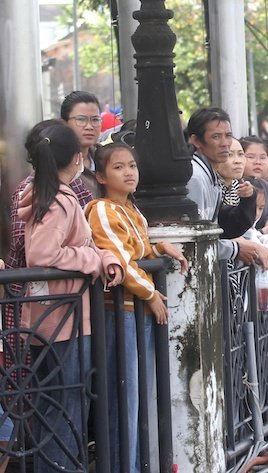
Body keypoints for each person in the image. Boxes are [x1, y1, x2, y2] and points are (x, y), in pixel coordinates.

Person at [18, 123, 123, 472]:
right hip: (64, 318)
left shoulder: (46, 195)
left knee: (57, 402)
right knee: (67, 404)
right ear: (77, 158)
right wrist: (92, 259)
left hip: (50, 316)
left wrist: (101, 257)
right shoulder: (59, 200)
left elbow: (78, 245)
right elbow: (43, 255)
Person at [84, 142, 187, 473]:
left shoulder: (130, 209)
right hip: (122, 313)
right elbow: (121, 260)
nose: (129, 172)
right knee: (123, 399)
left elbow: (137, 249)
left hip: (136, 312)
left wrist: (158, 247)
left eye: (132, 165)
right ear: (100, 175)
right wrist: (150, 294)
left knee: (137, 398)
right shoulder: (101, 209)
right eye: (118, 167)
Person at [185, 107, 268, 268]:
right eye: (216, 137)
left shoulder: (209, 174)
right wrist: (234, 249)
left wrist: (248, 200)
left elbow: (227, 226)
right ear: (196, 141)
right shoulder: (195, 177)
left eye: (228, 136)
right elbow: (194, 241)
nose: (225, 143)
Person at [61, 90, 103, 197]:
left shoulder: (106, 158)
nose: (89, 126)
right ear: (64, 123)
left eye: (95, 119)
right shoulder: (59, 165)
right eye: (81, 119)